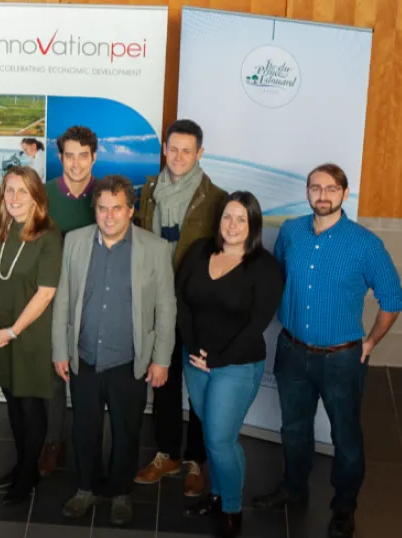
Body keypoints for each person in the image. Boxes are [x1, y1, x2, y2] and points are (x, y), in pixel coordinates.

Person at [253, 164, 402, 538]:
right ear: (306, 192)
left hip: (342, 358)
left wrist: (370, 342)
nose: (322, 195)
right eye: (315, 187)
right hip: (292, 351)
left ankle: (344, 507)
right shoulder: (290, 232)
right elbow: (281, 276)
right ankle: (293, 488)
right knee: (294, 428)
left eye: (331, 188)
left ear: (344, 193)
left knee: (346, 437)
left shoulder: (365, 244)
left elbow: (393, 298)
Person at [53, 175, 174, 526]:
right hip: (84, 357)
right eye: (102, 209)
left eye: (117, 209)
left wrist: (162, 358)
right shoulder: (74, 242)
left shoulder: (154, 248)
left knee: (127, 430)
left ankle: (121, 493)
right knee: (84, 429)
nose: (109, 216)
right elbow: (63, 299)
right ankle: (86, 488)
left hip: (129, 360)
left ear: (131, 210)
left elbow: (166, 306)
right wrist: (60, 349)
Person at [176, 192, 283, 537]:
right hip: (195, 359)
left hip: (236, 364)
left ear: (252, 224)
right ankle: (218, 495)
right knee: (210, 433)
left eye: (241, 218)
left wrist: (217, 358)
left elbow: (257, 324)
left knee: (221, 439)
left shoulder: (265, 267)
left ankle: (233, 508)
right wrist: (194, 347)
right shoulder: (199, 251)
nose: (232, 225)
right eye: (227, 217)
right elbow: (181, 299)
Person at [134, 119, 225, 497]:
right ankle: (167, 453)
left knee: (201, 387)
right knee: (164, 380)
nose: (179, 157)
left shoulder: (217, 198)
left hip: (197, 307)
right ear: (164, 149)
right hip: (158, 302)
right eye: (173, 149)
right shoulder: (150, 190)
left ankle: (196, 460)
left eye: (187, 150)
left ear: (200, 153)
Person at [0, 166, 61, 505]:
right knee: (11, 399)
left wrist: (13, 331)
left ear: (36, 197)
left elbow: (46, 292)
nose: (13, 198)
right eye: (8, 190)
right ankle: (21, 465)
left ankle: (28, 474)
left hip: (27, 333)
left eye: (22, 192)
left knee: (30, 404)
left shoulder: (49, 235)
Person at [38, 125, 98, 476]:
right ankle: (53, 442)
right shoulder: (42, 196)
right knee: (53, 376)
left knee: (88, 376)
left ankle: (86, 445)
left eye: (83, 156)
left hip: (95, 301)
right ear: (59, 157)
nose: (76, 164)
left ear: (94, 156)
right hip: (53, 300)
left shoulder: (106, 196)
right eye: (69, 156)